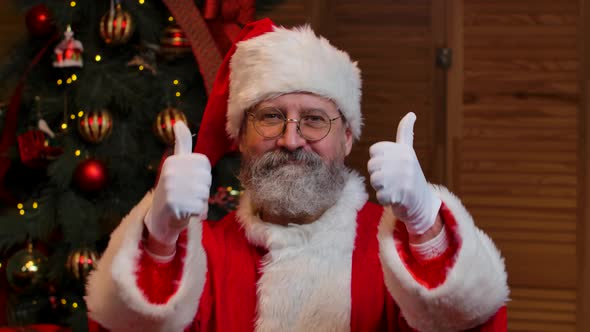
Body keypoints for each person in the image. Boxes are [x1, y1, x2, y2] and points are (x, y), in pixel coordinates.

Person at [85, 18, 509, 331]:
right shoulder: (202, 256)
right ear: (240, 136)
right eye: (270, 117)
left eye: (313, 119)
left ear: (346, 138)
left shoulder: (397, 252)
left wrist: (425, 223)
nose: (291, 140)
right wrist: (158, 239)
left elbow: (475, 325)